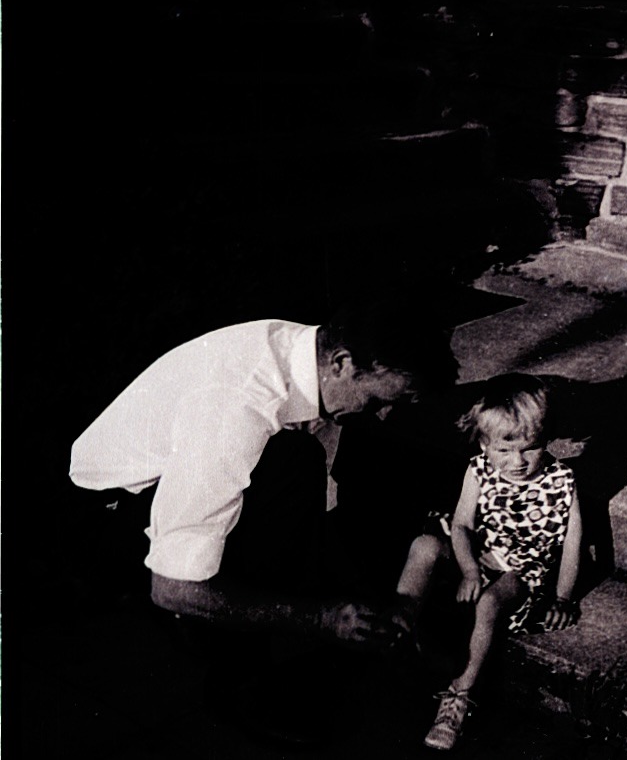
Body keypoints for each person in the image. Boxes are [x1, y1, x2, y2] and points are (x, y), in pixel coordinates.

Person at [68, 304, 456, 740]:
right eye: (383, 401)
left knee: (298, 471)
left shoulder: (310, 363)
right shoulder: (239, 404)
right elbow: (173, 586)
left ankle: (282, 636)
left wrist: (367, 604)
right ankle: (238, 682)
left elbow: (316, 515)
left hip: (181, 490)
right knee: (292, 463)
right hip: (106, 519)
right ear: (343, 363)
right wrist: (321, 619)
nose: (385, 416)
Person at [390, 373, 583, 752]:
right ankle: (399, 624)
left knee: (489, 601)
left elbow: (574, 541)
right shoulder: (478, 470)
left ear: (546, 439)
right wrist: (469, 569)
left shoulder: (561, 479)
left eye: (531, 448)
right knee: (425, 544)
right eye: (504, 450)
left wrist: (563, 597)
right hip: (481, 553)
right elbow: (461, 524)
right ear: (483, 443)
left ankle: (459, 697)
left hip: (521, 570)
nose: (518, 462)